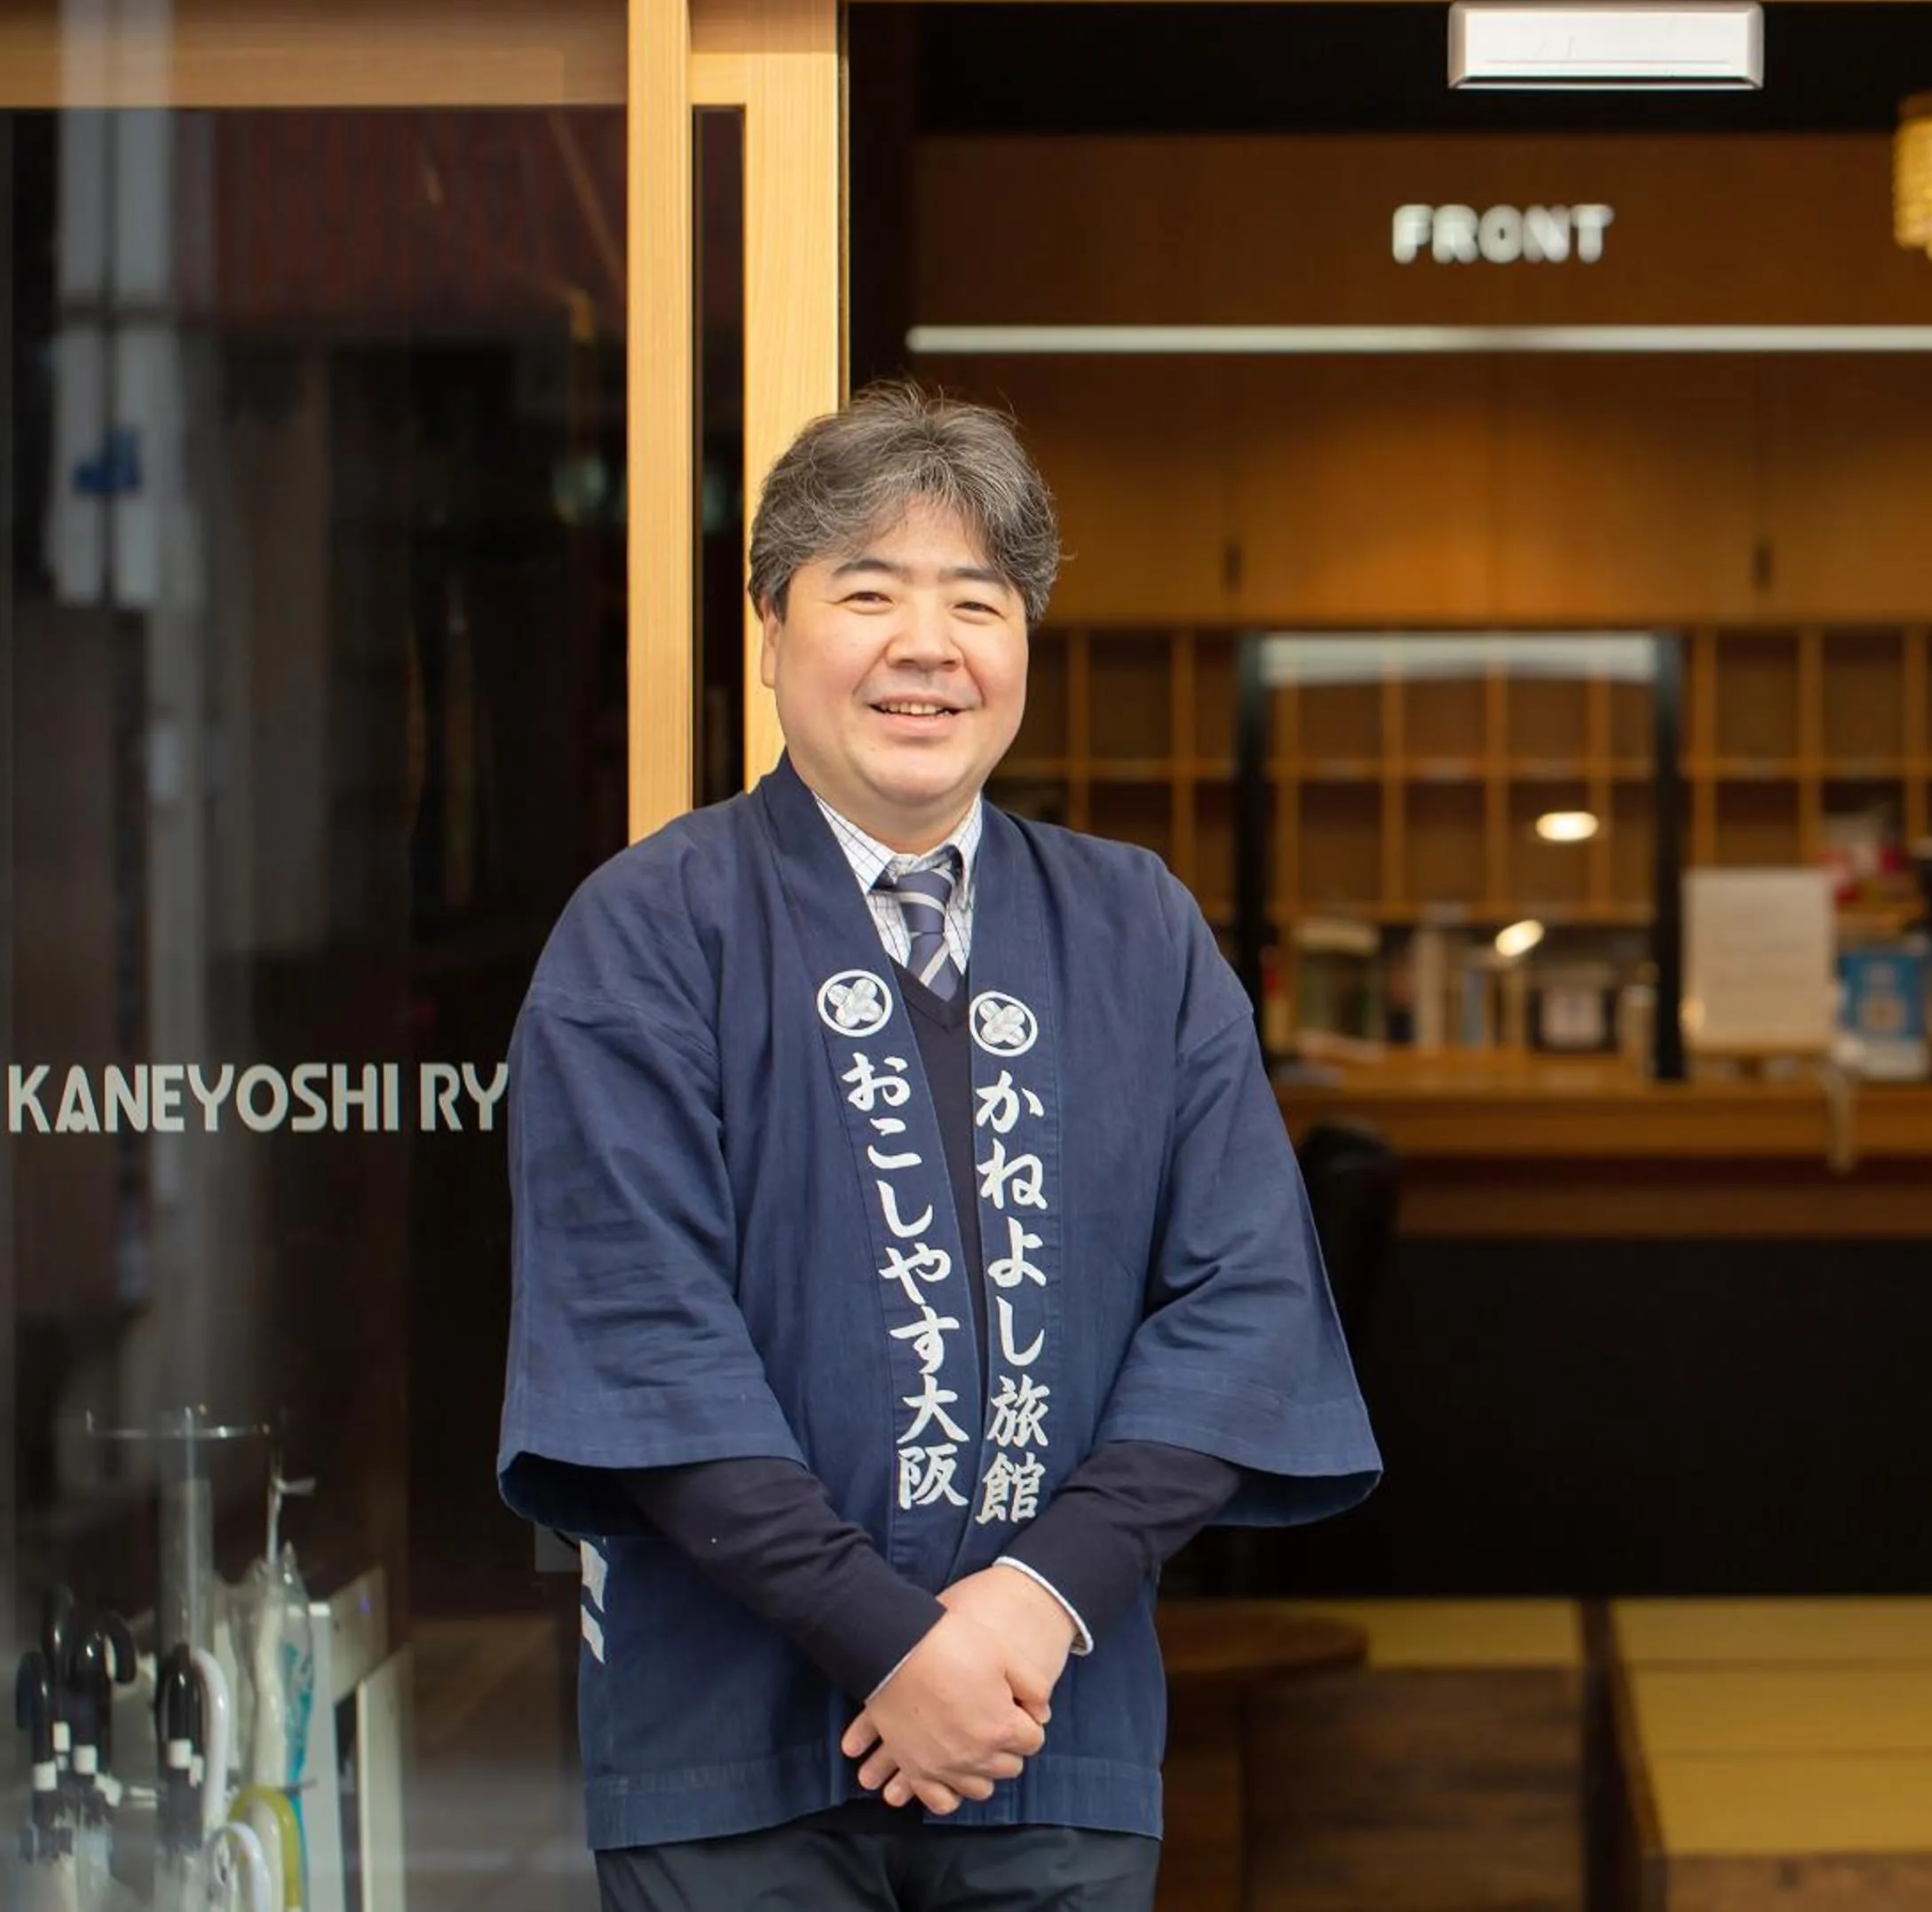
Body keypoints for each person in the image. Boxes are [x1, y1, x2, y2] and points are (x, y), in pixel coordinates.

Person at [496, 379, 1381, 1910]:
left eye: (978, 599)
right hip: (731, 1755)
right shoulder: (646, 930)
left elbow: (1242, 1309)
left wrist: (1030, 1607)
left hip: (1054, 1727)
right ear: (770, 630)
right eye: (867, 591)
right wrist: (899, 1644)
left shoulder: (1139, 927)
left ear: (1022, 644)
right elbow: (646, 1340)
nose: (929, 645)